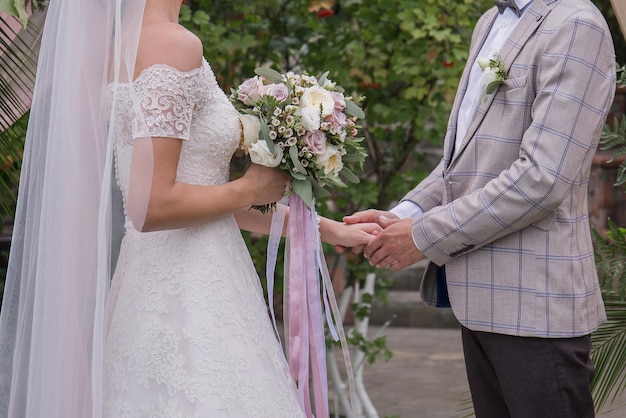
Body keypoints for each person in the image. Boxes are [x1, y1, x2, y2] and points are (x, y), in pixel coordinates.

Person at [0, 1, 379, 417]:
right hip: (193, 290)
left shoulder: (119, 45)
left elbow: (203, 199)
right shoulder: (173, 45)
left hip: (159, 280)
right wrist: (251, 185)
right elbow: (153, 206)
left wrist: (326, 229)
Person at [343, 0, 616, 416]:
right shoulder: (490, 21)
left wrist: (422, 237)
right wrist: (403, 215)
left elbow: (541, 179)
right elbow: (463, 162)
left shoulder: (577, 24)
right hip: (479, 302)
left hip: (536, 304)